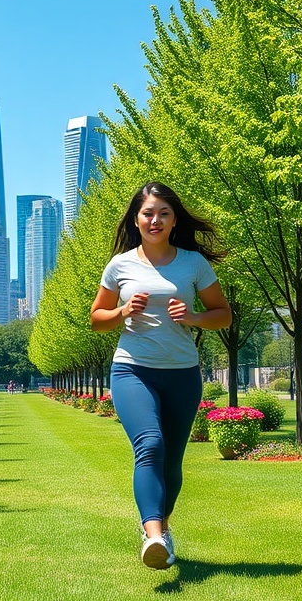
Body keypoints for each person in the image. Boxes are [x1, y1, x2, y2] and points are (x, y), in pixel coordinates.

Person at [90, 182, 232, 569]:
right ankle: (152, 533)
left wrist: (192, 317)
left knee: (171, 461)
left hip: (182, 373)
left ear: (173, 220)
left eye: (163, 214)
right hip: (132, 369)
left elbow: (222, 313)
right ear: (136, 220)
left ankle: (162, 532)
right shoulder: (120, 265)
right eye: (148, 213)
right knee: (150, 444)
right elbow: (96, 319)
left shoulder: (192, 263)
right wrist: (121, 312)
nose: (155, 220)